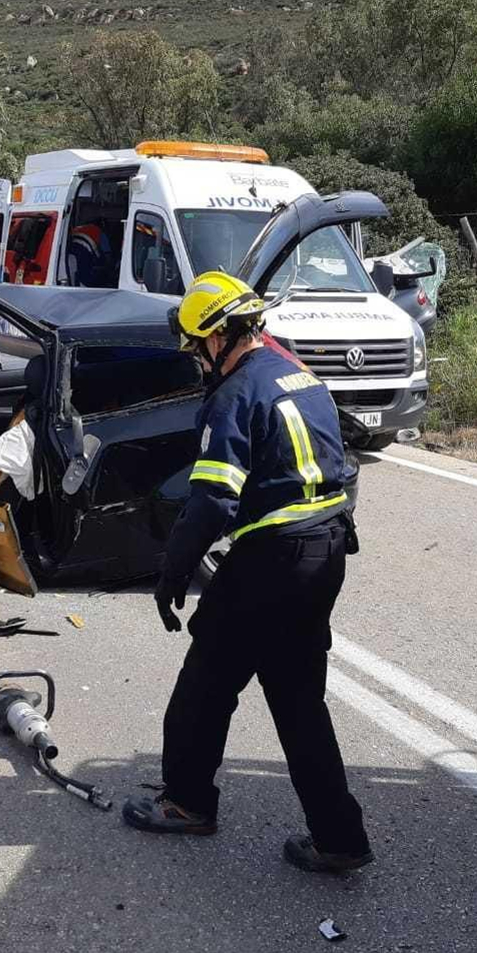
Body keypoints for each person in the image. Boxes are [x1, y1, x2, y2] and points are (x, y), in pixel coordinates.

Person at [121, 270, 372, 874]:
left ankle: (186, 804)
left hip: (272, 562)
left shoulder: (234, 396)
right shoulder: (300, 375)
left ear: (216, 338)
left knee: (205, 684)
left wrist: (173, 572)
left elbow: (212, 501)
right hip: (326, 550)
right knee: (297, 699)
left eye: (196, 347)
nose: (197, 360)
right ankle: (339, 836)